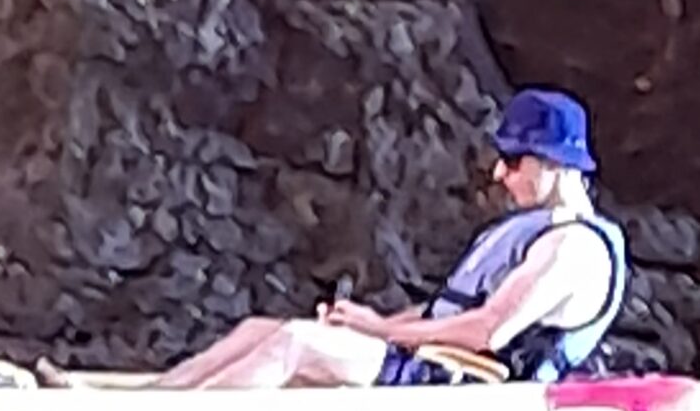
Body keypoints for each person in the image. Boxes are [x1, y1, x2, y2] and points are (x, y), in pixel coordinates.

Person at [153, 87, 626, 391]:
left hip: (466, 382)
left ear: (555, 164)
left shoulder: (573, 250)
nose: (500, 173)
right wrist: (362, 324)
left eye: (514, 160)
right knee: (261, 329)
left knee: (296, 343)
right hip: (434, 360)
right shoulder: (540, 232)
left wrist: (378, 330)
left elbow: (488, 332)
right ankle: (159, 397)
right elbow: (447, 311)